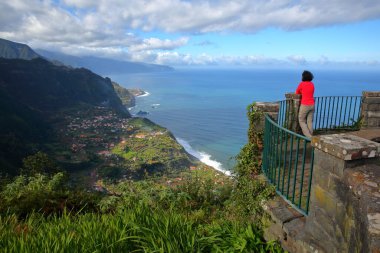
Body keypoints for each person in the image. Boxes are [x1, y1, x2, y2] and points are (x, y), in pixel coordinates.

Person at [295, 70, 315, 138]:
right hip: (312, 104)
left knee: (301, 120)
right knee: (309, 121)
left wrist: (301, 91)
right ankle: (311, 134)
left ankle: (309, 137)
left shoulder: (302, 84)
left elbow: (297, 92)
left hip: (305, 104)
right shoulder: (312, 84)